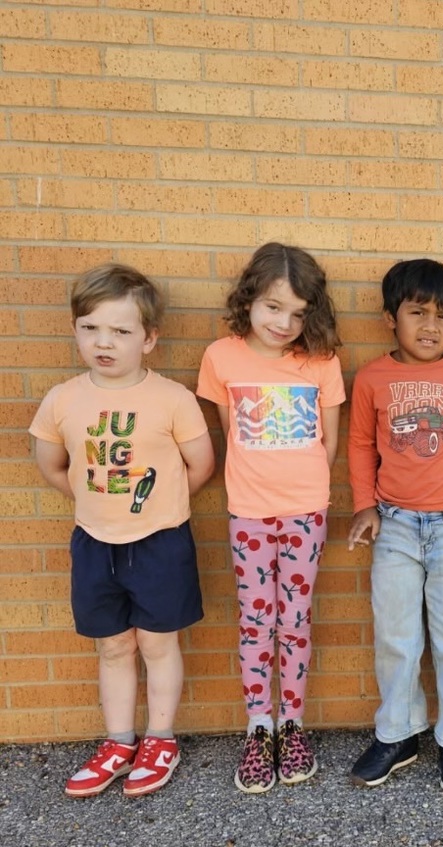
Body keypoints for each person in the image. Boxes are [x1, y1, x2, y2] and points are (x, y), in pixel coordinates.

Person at [30, 264, 215, 798]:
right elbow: (53, 467)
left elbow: (200, 465)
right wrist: (95, 503)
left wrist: (158, 507)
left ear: (149, 339)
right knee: (112, 647)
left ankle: (160, 738)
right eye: (90, 328)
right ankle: (119, 741)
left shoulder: (171, 398)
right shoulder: (63, 399)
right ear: (75, 331)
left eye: (120, 331)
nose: (103, 342)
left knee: (158, 643)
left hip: (159, 540)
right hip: (94, 541)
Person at [346, 258, 443, 795]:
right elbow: (362, 444)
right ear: (391, 317)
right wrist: (364, 504)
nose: (431, 326)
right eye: (418, 313)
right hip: (395, 525)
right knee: (396, 635)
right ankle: (399, 733)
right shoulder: (372, 378)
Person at [197, 243, 345, 793]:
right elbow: (229, 430)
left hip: (305, 512)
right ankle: (259, 728)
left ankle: (292, 725)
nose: (285, 323)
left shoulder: (323, 362)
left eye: (299, 312)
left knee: (296, 619)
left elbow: (327, 443)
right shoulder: (221, 357)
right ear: (249, 301)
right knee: (257, 621)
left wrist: (303, 488)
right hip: (249, 513)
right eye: (273, 307)